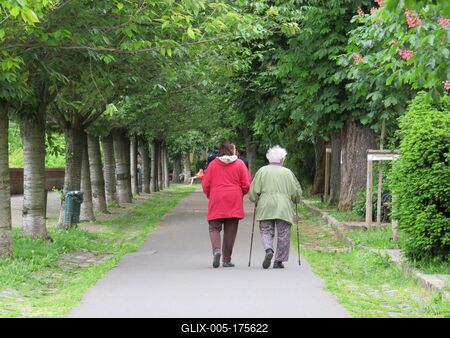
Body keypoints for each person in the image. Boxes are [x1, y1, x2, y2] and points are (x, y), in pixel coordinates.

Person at [249, 145, 302, 269]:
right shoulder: (288, 173)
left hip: (265, 205)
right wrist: (296, 199)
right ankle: (278, 261)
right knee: (284, 233)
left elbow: (253, 191)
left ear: (268, 159)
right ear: (282, 160)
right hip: (283, 207)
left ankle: (268, 249)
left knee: (266, 230)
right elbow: (296, 192)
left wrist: (255, 200)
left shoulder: (262, 171)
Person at [202, 140, 252, 268]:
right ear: (232, 150)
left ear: (220, 151)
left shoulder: (213, 165)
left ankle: (217, 250)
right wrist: (241, 193)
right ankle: (226, 259)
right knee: (231, 230)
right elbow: (246, 184)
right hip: (234, 199)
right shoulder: (240, 164)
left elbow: (205, 184)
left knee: (214, 227)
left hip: (217, 197)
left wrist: (210, 194)